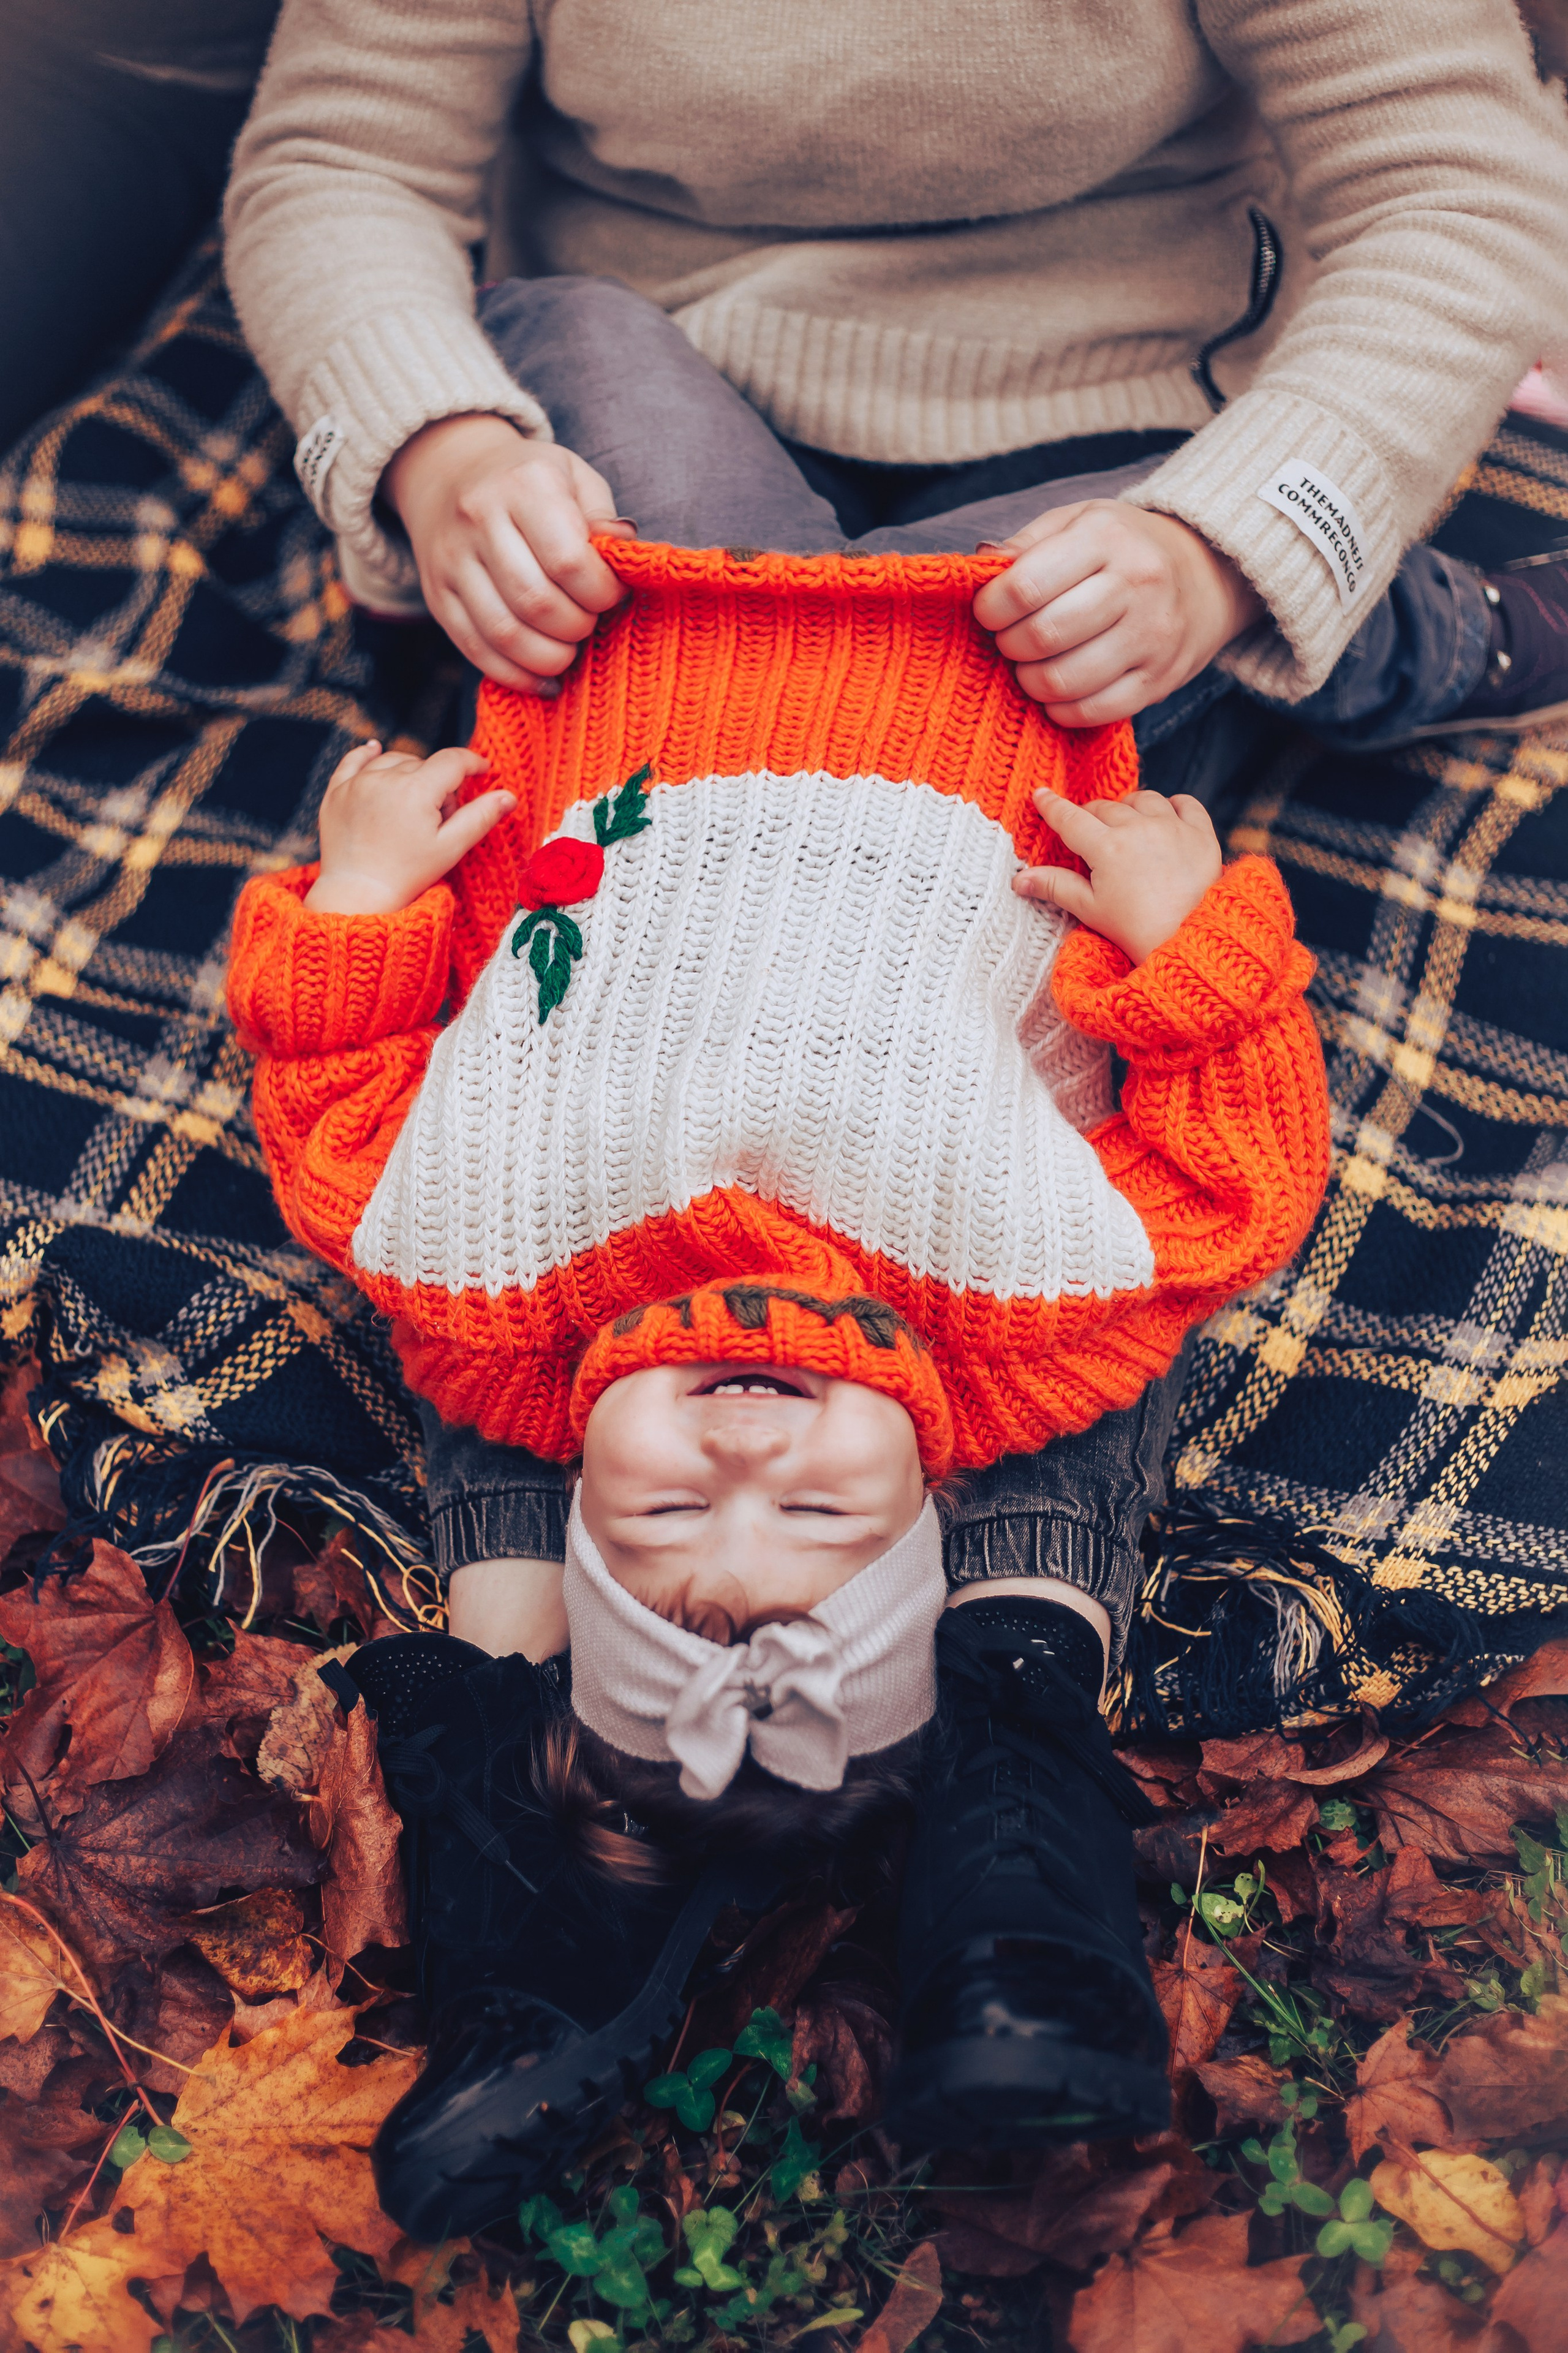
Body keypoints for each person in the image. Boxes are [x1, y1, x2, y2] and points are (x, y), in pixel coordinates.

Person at [227, 535, 1330, 2232]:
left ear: (597, 1479)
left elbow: (330, 1078)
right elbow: (1246, 1167)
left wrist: (365, 896)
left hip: (640, 638)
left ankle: (532, 1870)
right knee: (1106, 1385)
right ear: (929, 1486)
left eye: (668, 1504)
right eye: (815, 1508)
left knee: (585, 339)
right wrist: (1192, 947)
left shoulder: (490, 1276)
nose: (741, 1444)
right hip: (995, 666)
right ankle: (1014, 1792)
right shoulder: (1022, 1299)